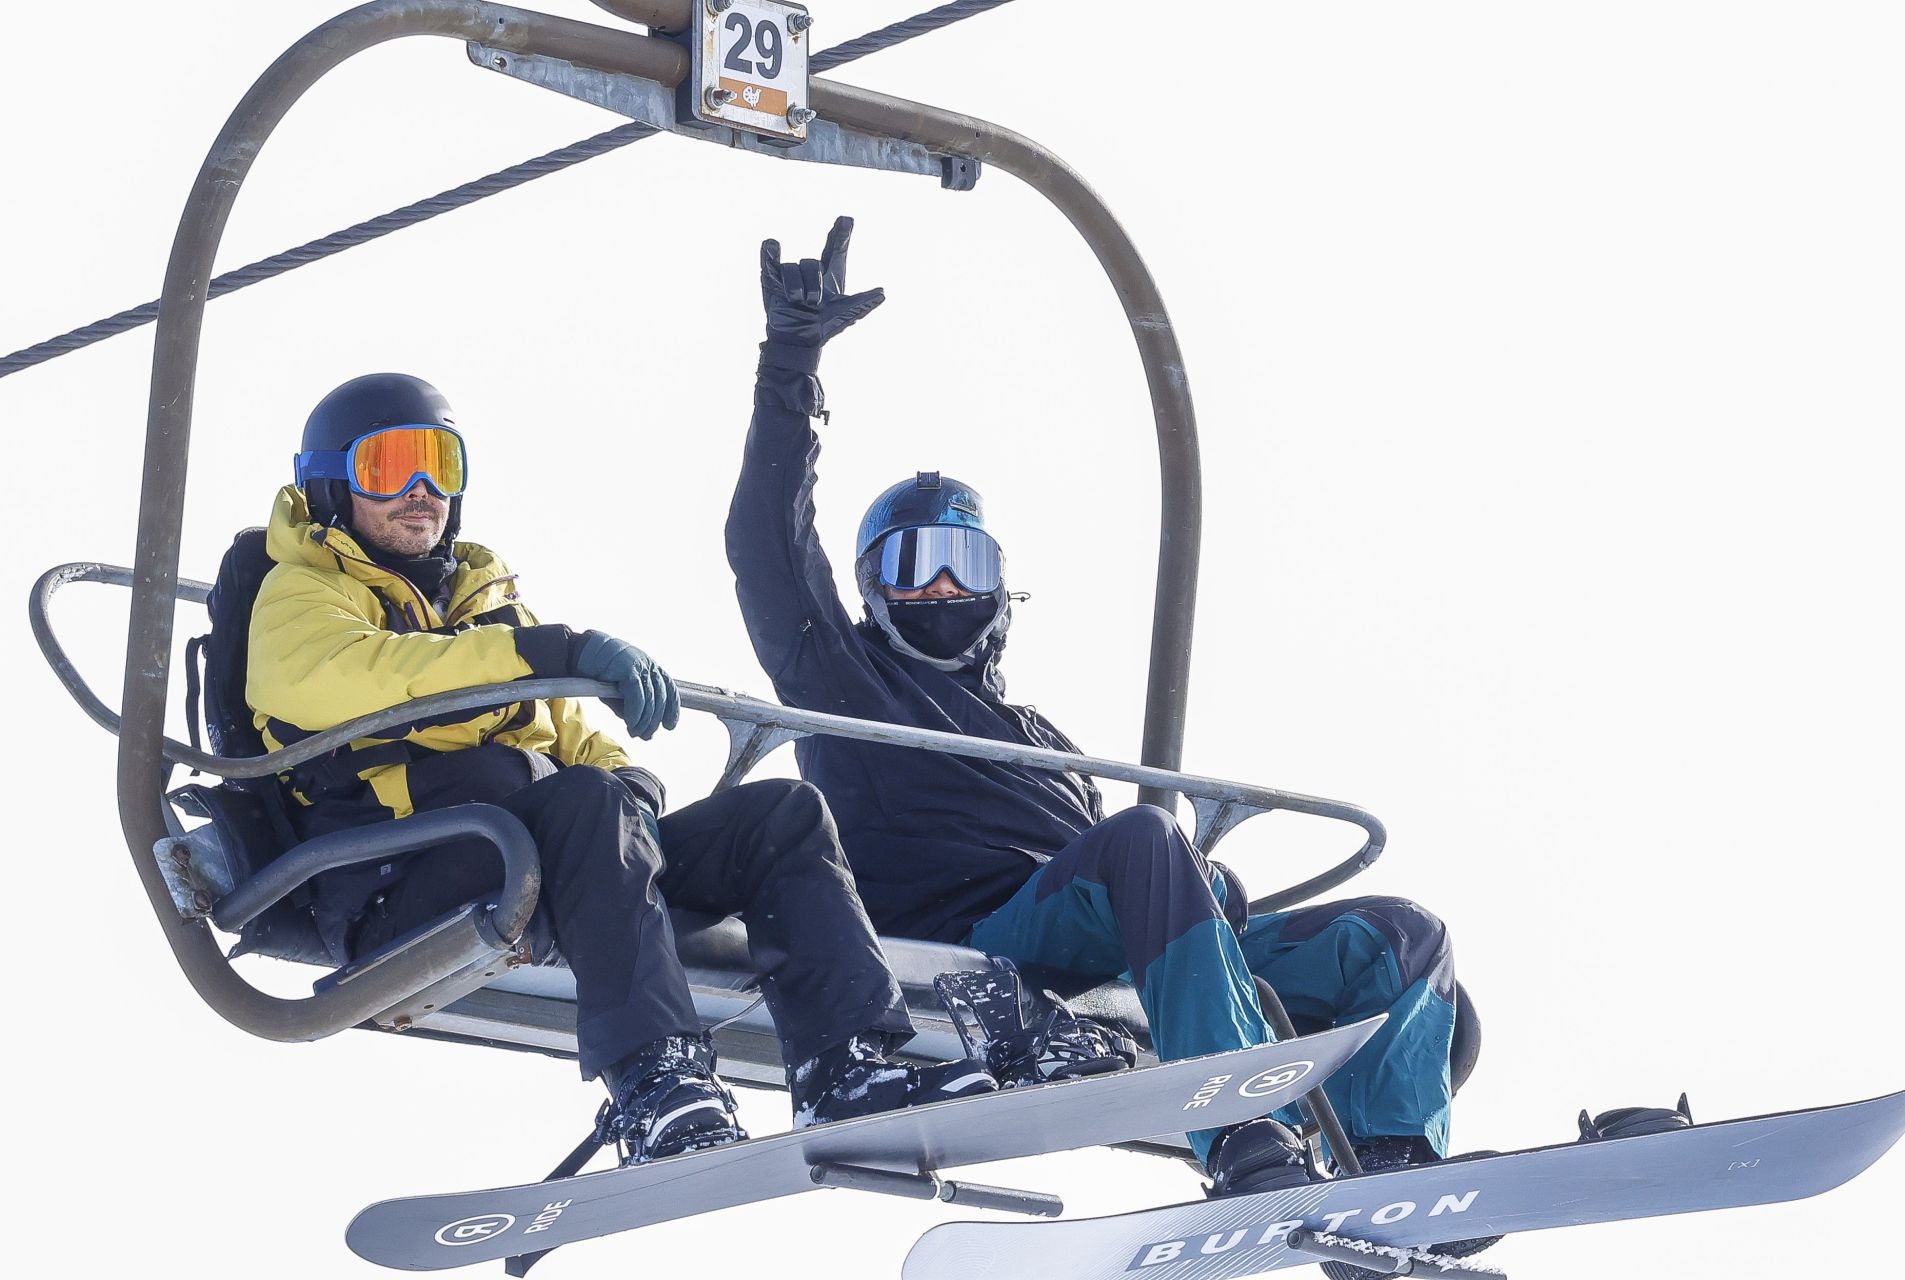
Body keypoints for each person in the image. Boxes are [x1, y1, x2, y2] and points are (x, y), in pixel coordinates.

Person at [725, 219, 1495, 1269]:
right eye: (916, 563)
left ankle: (1395, 1168)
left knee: (1402, 937)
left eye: (965, 559)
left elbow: (1141, 877)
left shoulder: (1040, 734)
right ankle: (1244, 1132)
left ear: (998, 583)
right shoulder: (846, 674)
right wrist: (791, 367)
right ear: (873, 585)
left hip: (1096, 933)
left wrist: (1198, 888)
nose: (944, 587)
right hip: (976, 943)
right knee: (1143, 839)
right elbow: (765, 548)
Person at [248, 372, 994, 1166]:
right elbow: (370, 674)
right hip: (393, 876)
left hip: (540, 852)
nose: (423, 490)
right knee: (582, 805)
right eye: (391, 466)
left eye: (441, 464)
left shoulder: (479, 598)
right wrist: (555, 652)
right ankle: (655, 1080)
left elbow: (570, 732)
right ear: (332, 483)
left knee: (780, 815)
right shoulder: (299, 594)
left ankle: (845, 1064)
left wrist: (631, 788)